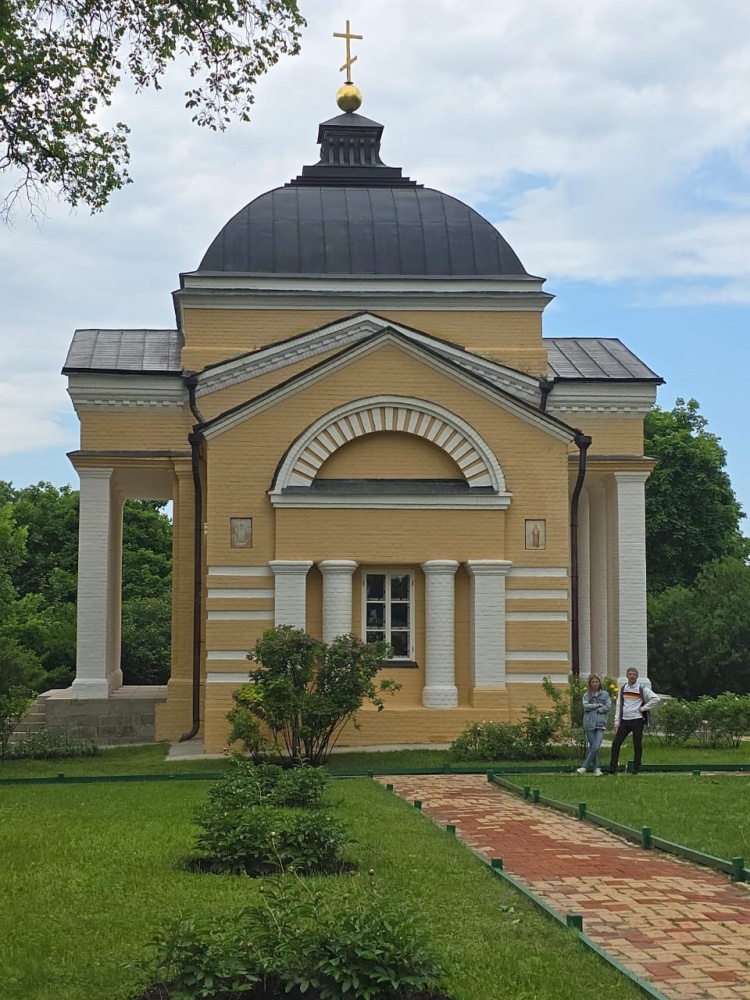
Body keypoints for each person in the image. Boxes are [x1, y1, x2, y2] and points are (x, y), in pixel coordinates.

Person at [607, 667, 660, 775]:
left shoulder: (641, 688)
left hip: (637, 719)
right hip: (625, 720)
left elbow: (655, 698)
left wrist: (643, 708)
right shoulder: (623, 689)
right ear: (627, 676)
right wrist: (617, 721)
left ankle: (636, 768)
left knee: (637, 744)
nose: (632, 676)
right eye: (630, 674)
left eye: (634, 674)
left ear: (637, 676)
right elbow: (619, 705)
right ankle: (612, 768)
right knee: (616, 743)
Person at [576, 674, 611, 775]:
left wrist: (599, 709)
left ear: (599, 683)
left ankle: (584, 767)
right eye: (593, 682)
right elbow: (586, 706)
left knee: (596, 747)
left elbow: (608, 706)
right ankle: (596, 768)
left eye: (597, 682)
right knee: (592, 747)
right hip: (589, 723)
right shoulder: (586, 695)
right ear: (590, 684)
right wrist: (598, 705)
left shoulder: (604, 694)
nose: (595, 684)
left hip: (600, 723)